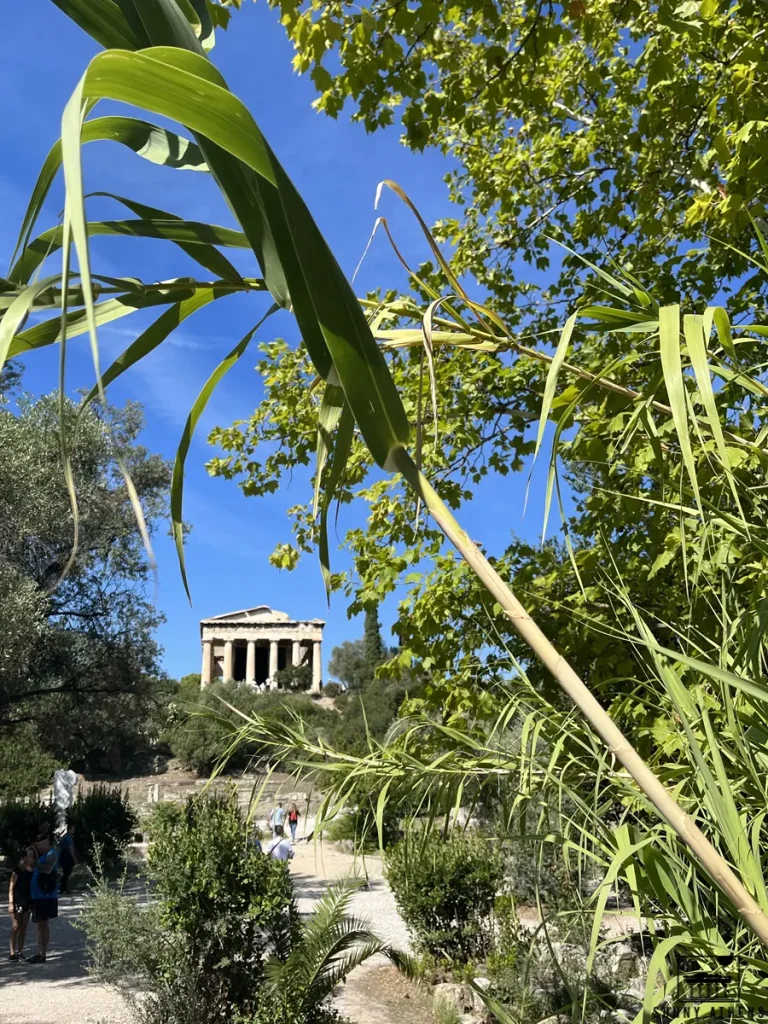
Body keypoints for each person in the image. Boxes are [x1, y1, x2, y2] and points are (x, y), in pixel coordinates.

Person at [28, 830, 59, 964]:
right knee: (39, 925)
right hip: (38, 895)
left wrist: (34, 864)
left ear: (47, 843)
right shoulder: (41, 855)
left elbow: (48, 869)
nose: (40, 847)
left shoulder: (51, 854)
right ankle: (39, 952)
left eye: (42, 845)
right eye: (38, 845)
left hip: (46, 896)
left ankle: (43, 954)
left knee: (43, 924)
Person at [8, 848, 34, 961]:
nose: (30, 858)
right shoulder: (17, 871)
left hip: (27, 902)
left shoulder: (32, 872)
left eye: (32, 856)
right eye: (28, 855)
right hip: (17, 902)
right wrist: (10, 903)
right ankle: (12, 953)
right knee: (15, 927)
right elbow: (11, 888)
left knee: (23, 927)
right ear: (23, 858)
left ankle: (20, 952)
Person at [58, 823, 77, 894]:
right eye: (73, 829)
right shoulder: (69, 837)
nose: (74, 831)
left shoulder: (64, 836)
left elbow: (59, 845)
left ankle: (63, 887)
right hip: (67, 856)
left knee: (66, 872)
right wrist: (74, 858)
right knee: (67, 872)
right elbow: (71, 849)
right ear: (69, 829)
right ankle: (61, 886)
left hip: (63, 855)